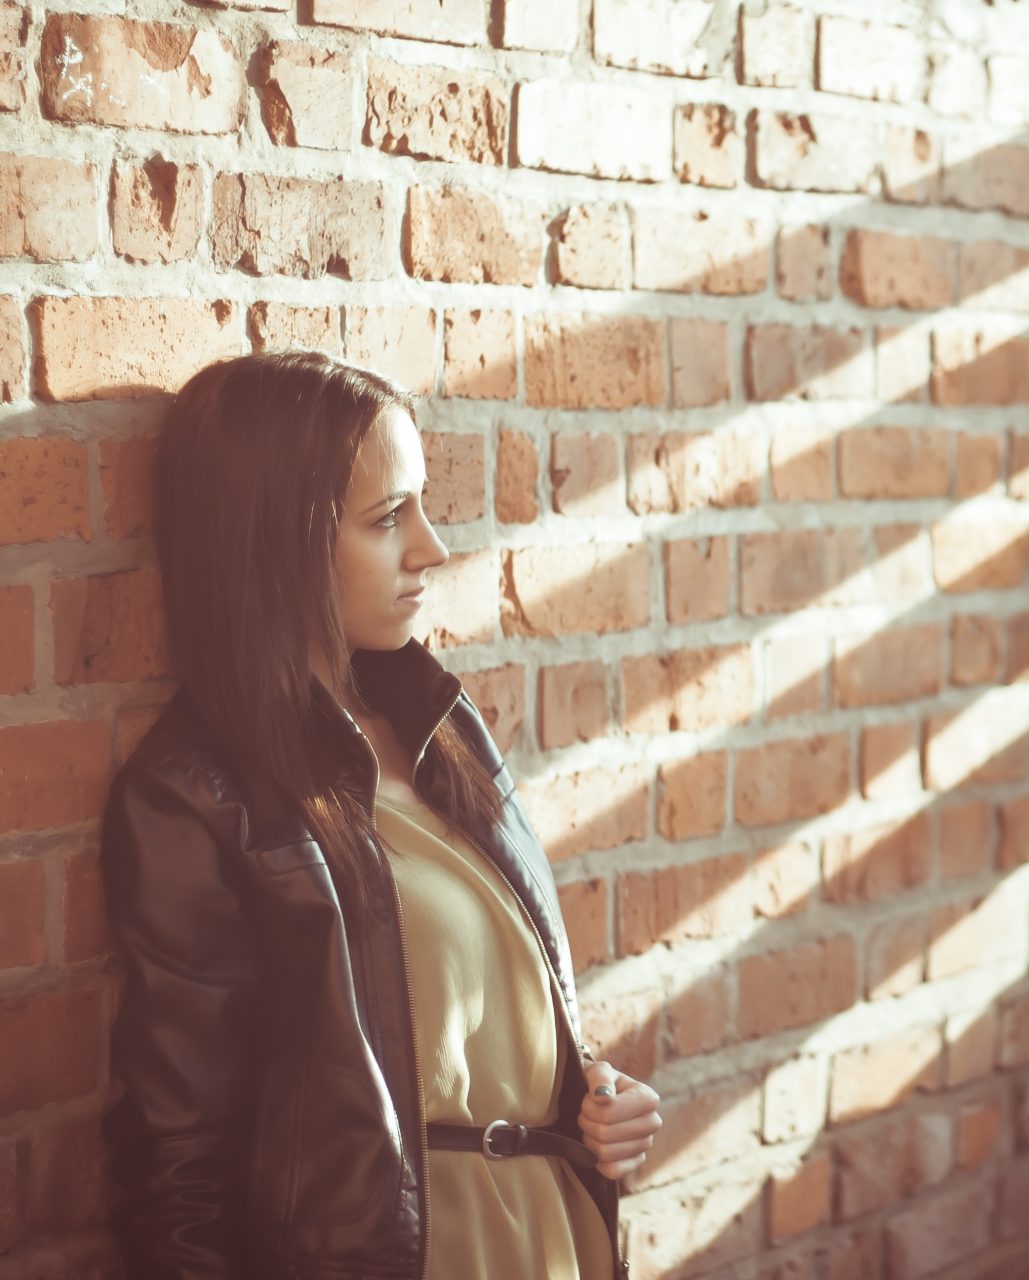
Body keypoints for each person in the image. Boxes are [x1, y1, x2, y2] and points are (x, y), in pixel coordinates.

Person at [99, 350, 662, 1279]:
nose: (431, 548)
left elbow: (467, 1029)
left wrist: (592, 1096)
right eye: (387, 517)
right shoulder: (198, 796)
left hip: (556, 1243)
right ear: (275, 541)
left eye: (421, 506)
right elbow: (181, 1160)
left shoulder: (443, 729)